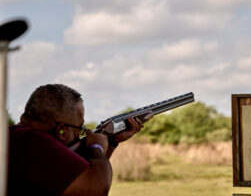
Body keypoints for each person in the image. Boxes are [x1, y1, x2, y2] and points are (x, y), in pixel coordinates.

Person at [8, 84, 148, 196]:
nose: (82, 134)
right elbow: (96, 189)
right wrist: (96, 148)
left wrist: (110, 142)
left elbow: (83, 174)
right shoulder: (32, 142)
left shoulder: (16, 137)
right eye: (80, 128)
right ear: (61, 131)